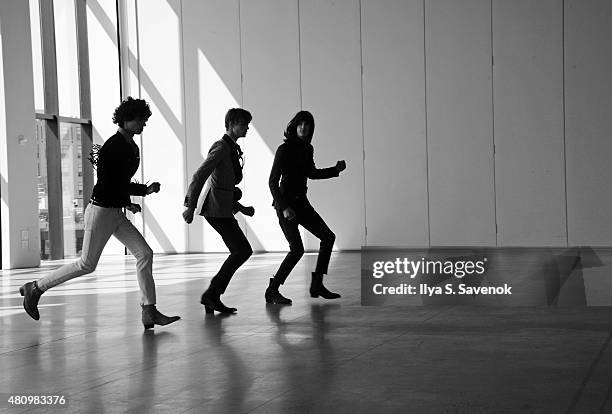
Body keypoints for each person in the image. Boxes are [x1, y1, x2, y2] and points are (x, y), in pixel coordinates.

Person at [19, 97, 180, 330]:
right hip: (101, 212)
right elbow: (109, 183)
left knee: (144, 253)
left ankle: (149, 310)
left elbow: (118, 182)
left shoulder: (130, 145)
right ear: (126, 120)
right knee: (87, 264)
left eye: (144, 121)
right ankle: (36, 288)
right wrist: (142, 191)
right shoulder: (113, 146)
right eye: (140, 120)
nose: (143, 125)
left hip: (114, 212)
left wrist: (127, 203)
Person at [266, 110, 346, 305]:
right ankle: (272, 290)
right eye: (300, 124)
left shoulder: (307, 149)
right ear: (294, 126)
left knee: (328, 237)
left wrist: (334, 171)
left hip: (302, 203)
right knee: (297, 249)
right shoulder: (284, 149)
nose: (303, 127)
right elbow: (272, 182)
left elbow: (312, 173)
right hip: (286, 205)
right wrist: (284, 207)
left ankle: (317, 284)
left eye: (307, 125)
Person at [183, 108, 254, 314]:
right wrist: (190, 205)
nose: (247, 127)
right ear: (231, 124)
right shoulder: (221, 147)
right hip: (215, 210)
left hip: (222, 209)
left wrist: (241, 208)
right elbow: (200, 175)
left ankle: (212, 295)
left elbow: (225, 185)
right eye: (243, 124)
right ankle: (211, 295)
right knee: (242, 250)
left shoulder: (232, 148)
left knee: (241, 250)